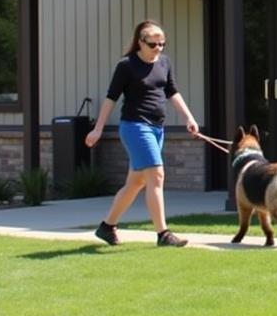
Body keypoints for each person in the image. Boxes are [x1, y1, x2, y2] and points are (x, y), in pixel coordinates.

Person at [85, 20, 199, 247]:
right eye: (153, 44)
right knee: (156, 176)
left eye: (162, 44)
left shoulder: (164, 63)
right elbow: (111, 98)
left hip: (158, 128)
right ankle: (163, 234)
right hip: (135, 127)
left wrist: (189, 117)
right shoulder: (126, 65)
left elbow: (172, 92)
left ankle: (107, 227)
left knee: (136, 183)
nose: (158, 49)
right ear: (140, 43)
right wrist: (98, 129)